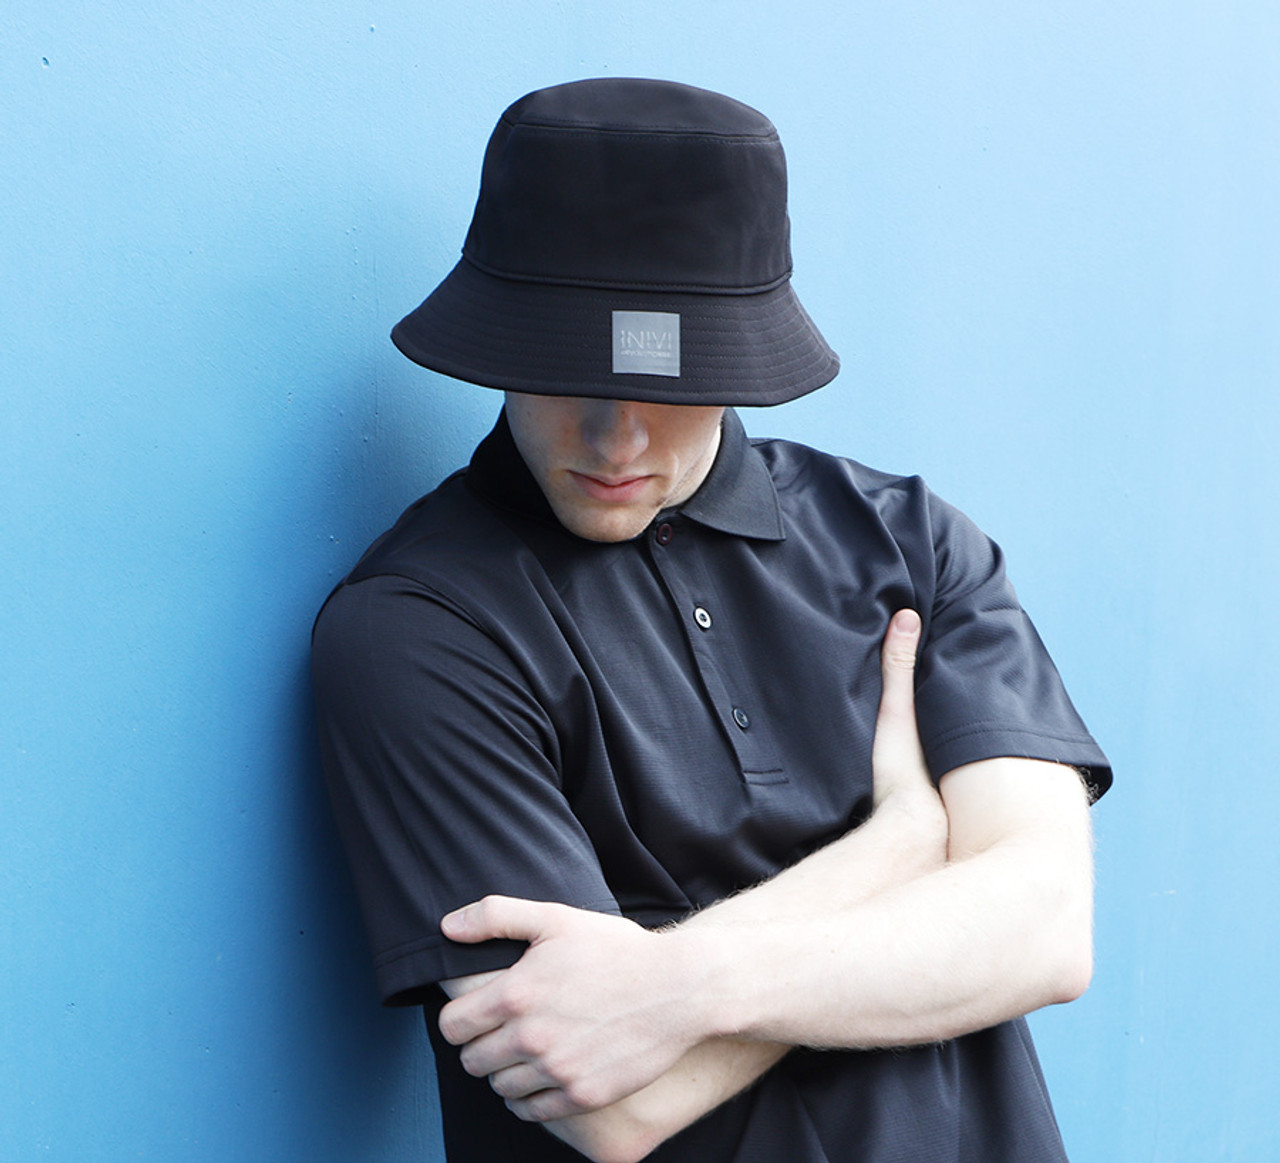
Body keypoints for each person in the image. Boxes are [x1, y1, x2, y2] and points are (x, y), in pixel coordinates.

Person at [311, 78, 1111, 1163]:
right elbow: (604, 1100)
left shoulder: (910, 542)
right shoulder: (420, 624)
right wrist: (895, 849)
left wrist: (674, 983)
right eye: (562, 373)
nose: (614, 438)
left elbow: (1044, 929)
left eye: (666, 384)